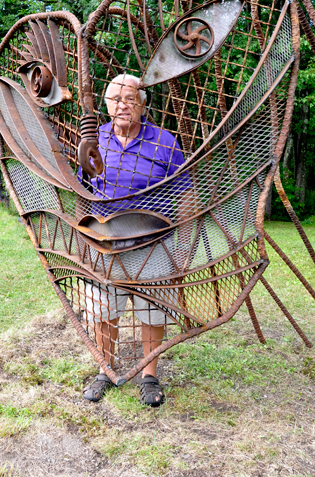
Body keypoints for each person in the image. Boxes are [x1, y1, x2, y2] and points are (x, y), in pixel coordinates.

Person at [80, 73, 191, 407]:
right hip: (104, 240)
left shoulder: (164, 141)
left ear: (143, 105)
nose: (123, 105)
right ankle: (105, 369)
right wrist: (80, 233)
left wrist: (184, 243)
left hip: (154, 240)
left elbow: (185, 193)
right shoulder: (94, 140)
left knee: (153, 310)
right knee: (103, 308)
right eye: (116, 99)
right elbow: (81, 191)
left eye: (131, 99)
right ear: (106, 105)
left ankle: (149, 374)